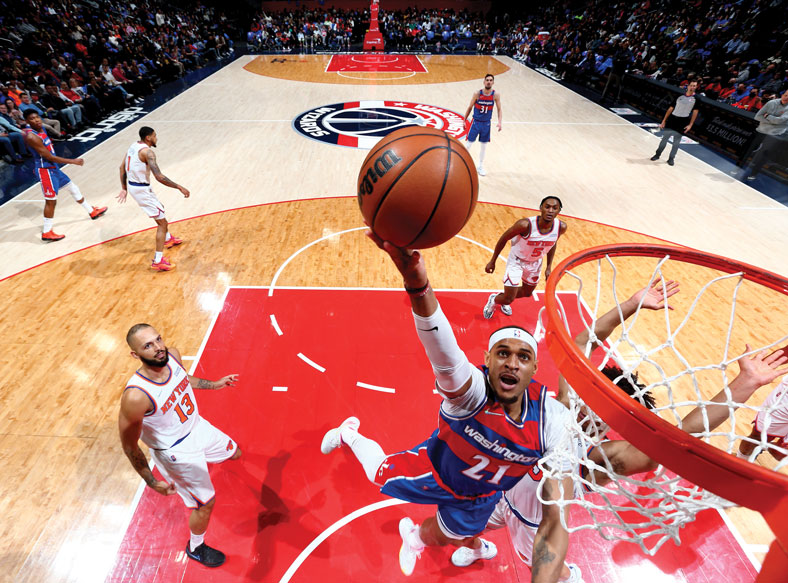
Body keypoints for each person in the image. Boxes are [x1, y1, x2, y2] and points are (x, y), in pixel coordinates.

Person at [465, 281, 787, 580]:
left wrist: (743, 384)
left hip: (533, 524)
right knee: (465, 522)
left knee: (550, 571)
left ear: (611, 423)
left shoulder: (595, 461)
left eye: (603, 413)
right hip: (501, 491)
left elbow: (679, 436)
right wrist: (631, 304)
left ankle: (571, 576)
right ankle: (477, 545)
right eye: (592, 399)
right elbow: (582, 342)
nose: (590, 410)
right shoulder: (561, 402)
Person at [321, 230, 574, 580]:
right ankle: (349, 434)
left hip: (482, 495)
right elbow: (443, 350)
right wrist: (417, 284)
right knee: (376, 473)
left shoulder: (549, 422)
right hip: (436, 471)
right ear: (488, 359)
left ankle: (453, 544)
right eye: (503, 354)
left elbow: (594, 434)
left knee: (452, 535)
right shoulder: (471, 392)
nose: (512, 363)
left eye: (523, 357)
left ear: (534, 368)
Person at [118, 323, 241, 568]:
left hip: (198, 427)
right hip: (177, 453)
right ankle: (196, 547)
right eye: (148, 346)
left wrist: (215, 384)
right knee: (206, 504)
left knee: (235, 452)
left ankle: (202, 469)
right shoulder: (136, 396)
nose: (158, 348)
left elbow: (185, 379)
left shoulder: (172, 355)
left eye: (158, 339)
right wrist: (152, 482)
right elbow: (130, 446)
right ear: (136, 354)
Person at [23, 109, 106, 242]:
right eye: (32, 119)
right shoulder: (32, 136)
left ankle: (91, 211)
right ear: (27, 121)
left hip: (53, 168)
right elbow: (49, 156)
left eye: (37, 117)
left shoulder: (41, 129)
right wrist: (73, 161)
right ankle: (47, 232)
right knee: (51, 202)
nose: (37, 120)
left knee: (72, 188)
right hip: (46, 171)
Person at [117, 126, 189, 271]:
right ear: (148, 138)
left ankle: (168, 239)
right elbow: (159, 176)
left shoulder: (133, 146)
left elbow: (121, 167)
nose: (157, 138)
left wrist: (124, 188)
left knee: (159, 209)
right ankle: (158, 260)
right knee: (162, 223)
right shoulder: (148, 152)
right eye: (155, 136)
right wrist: (179, 187)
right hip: (141, 189)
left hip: (135, 186)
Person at [483, 196, 567, 319]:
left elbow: (552, 244)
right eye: (547, 207)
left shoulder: (561, 227)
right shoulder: (525, 225)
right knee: (508, 299)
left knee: (527, 293)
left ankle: (503, 297)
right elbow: (504, 238)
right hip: (517, 261)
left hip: (535, 262)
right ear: (541, 208)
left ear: (559, 211)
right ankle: (495, 300)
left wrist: (548, 267)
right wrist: (492, 261)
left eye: (555, 208)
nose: (550, 210)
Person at [735, 89, 788, 181]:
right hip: (761, 130)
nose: (787, 98)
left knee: (764, 156)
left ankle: (753, 174)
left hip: (774, 135)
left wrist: (767, 116)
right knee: (748, 150)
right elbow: (757, 116)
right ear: (782, 94)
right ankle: (737, 167)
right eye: (786, 95)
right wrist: (773, 121)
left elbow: (780, 120)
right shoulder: (772, 103)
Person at [738, 372, 788, 461]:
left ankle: (765, 445)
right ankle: (740, 463)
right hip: (784, 400)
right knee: (758, 437)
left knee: (781, 455)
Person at [650, 80, 699, 166]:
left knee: (676, 142)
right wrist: (664, 120)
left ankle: (671, 158)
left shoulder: (696, 99)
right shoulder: (679, 96)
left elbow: (695, 112)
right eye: (691, 85)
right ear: (688, 86)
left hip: (683, 121)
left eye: (694, 86)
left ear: (696, 87)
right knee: (664, 139)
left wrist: (690, 125)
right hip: (672, 119)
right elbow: (671, 108)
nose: (692, 87)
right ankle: (657, 154)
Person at [463, 73, 502, 176]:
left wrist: (499, 122)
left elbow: (499, 109)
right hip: (476, 122)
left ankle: (480, 166)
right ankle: (461, 162)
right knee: (468, 144)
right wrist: (464, 120)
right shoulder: (477, 93)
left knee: (483, 146)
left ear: (493, 82)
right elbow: (470, 107)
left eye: (491, 80)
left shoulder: (495, 95)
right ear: (484, 82)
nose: (489, 82)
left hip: (486, 124)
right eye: (487, 80)